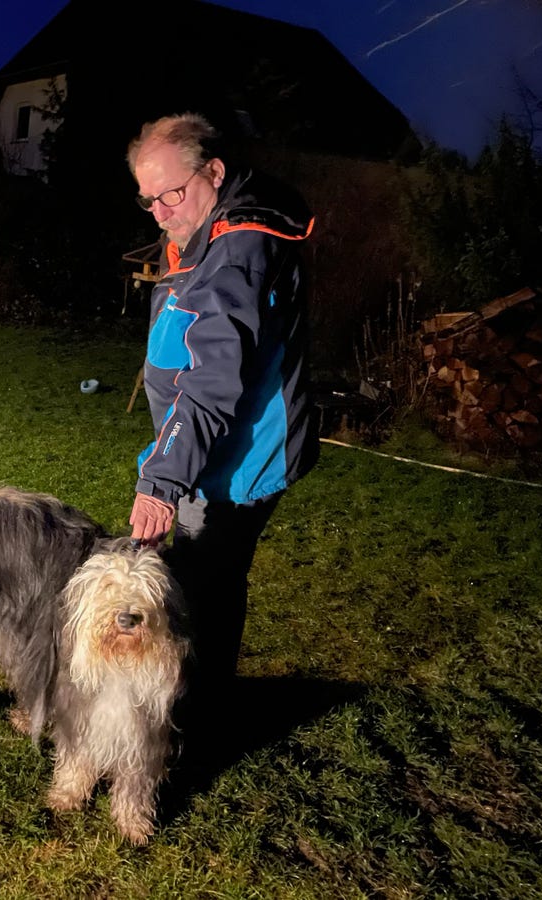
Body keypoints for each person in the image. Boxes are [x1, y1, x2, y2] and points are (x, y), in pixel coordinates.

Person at [126, 112, 319, 693]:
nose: (160, 213)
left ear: (214, 171)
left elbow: (212, 378)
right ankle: (191, 697)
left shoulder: (238, 248)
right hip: (204, 455)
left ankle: (195, 714)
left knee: (204, 585)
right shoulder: (197, 233)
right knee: (199, 578)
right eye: (148, 200)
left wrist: (161, 483)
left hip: (242, 462)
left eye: (171, 194)